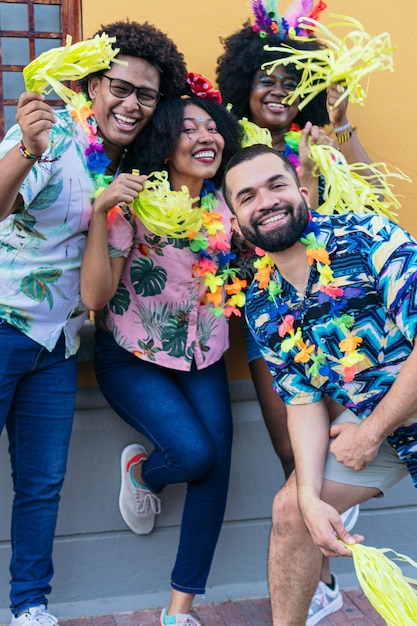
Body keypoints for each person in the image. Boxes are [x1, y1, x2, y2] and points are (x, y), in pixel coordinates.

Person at [0, 20, 186, 626]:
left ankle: (30, 605)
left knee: (42, 483)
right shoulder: (51, 137)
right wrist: (25, 149)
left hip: (55, 344)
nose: (131, 103)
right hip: (2, 326)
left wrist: (109, 211)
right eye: (119, 87)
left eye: (146, 95)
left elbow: (97, 292)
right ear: (90, 86)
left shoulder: (128, 168)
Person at [215, 13, 374, 622]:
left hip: (347, 323)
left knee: (344, 444)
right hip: (273, 323)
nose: (277, 89)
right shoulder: (223, 151)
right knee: (293, 452)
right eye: (264, 78)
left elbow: (373, 199)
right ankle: (325, 578)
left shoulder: (323, 141)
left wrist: (340, 131)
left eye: (290, 78)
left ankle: (325, 552)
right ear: (242, 86)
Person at [222, 143, 417, 626]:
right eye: (246, 196)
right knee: (290, 510)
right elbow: (303, 401)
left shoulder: (369, 238)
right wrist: (309, 496)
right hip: (388, 419)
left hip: (385, 418)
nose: (264, 200)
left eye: (276, 185)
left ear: (302, 192)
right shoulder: (263, 305)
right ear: (235, 221)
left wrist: (370, 433)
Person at [80, 82, 242, 626]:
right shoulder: (135, 203)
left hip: (205, 356)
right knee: (194, 455)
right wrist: (104, 213)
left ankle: (178, 613)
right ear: (164, 144)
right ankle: (145, 474)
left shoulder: (228, 204)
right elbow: (97, 298)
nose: (205, 136)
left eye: (211, 127)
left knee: (216, 468)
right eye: (187, 129)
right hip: (131, 355)